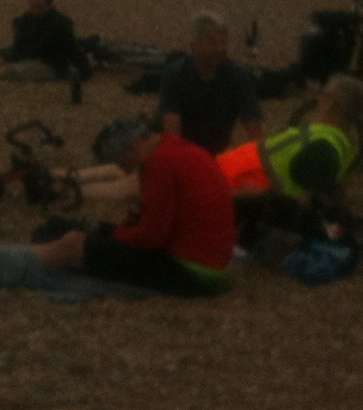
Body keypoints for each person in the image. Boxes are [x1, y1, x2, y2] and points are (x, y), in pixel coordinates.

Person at [30, 115, 234, 296]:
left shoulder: (159, 163)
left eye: (121, 161)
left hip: (190, 272)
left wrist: (112, 233)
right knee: (86, 232)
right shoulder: (177, 148)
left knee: (75, 244)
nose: (124, 169)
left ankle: (20, 261)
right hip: (211, 263)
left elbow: (149, 238)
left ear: (135, 146)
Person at [215, 77, 363, 247]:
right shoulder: (336, 142)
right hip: (232, 181)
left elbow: (303, 202)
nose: (318, 99)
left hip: (229, 184)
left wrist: (263, 197)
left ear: (332, 104)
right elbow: (320, 195)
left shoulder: (321, 146)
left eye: (323, 94)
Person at [154, 12, 264, 154]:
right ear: (193, 47)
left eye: (223, 42)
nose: (219, 48)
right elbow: (172, 132)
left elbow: (254, 130)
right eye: (212, 43)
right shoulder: (175, 74)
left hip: (218, 151)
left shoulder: (238, 76)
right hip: (184, 150)